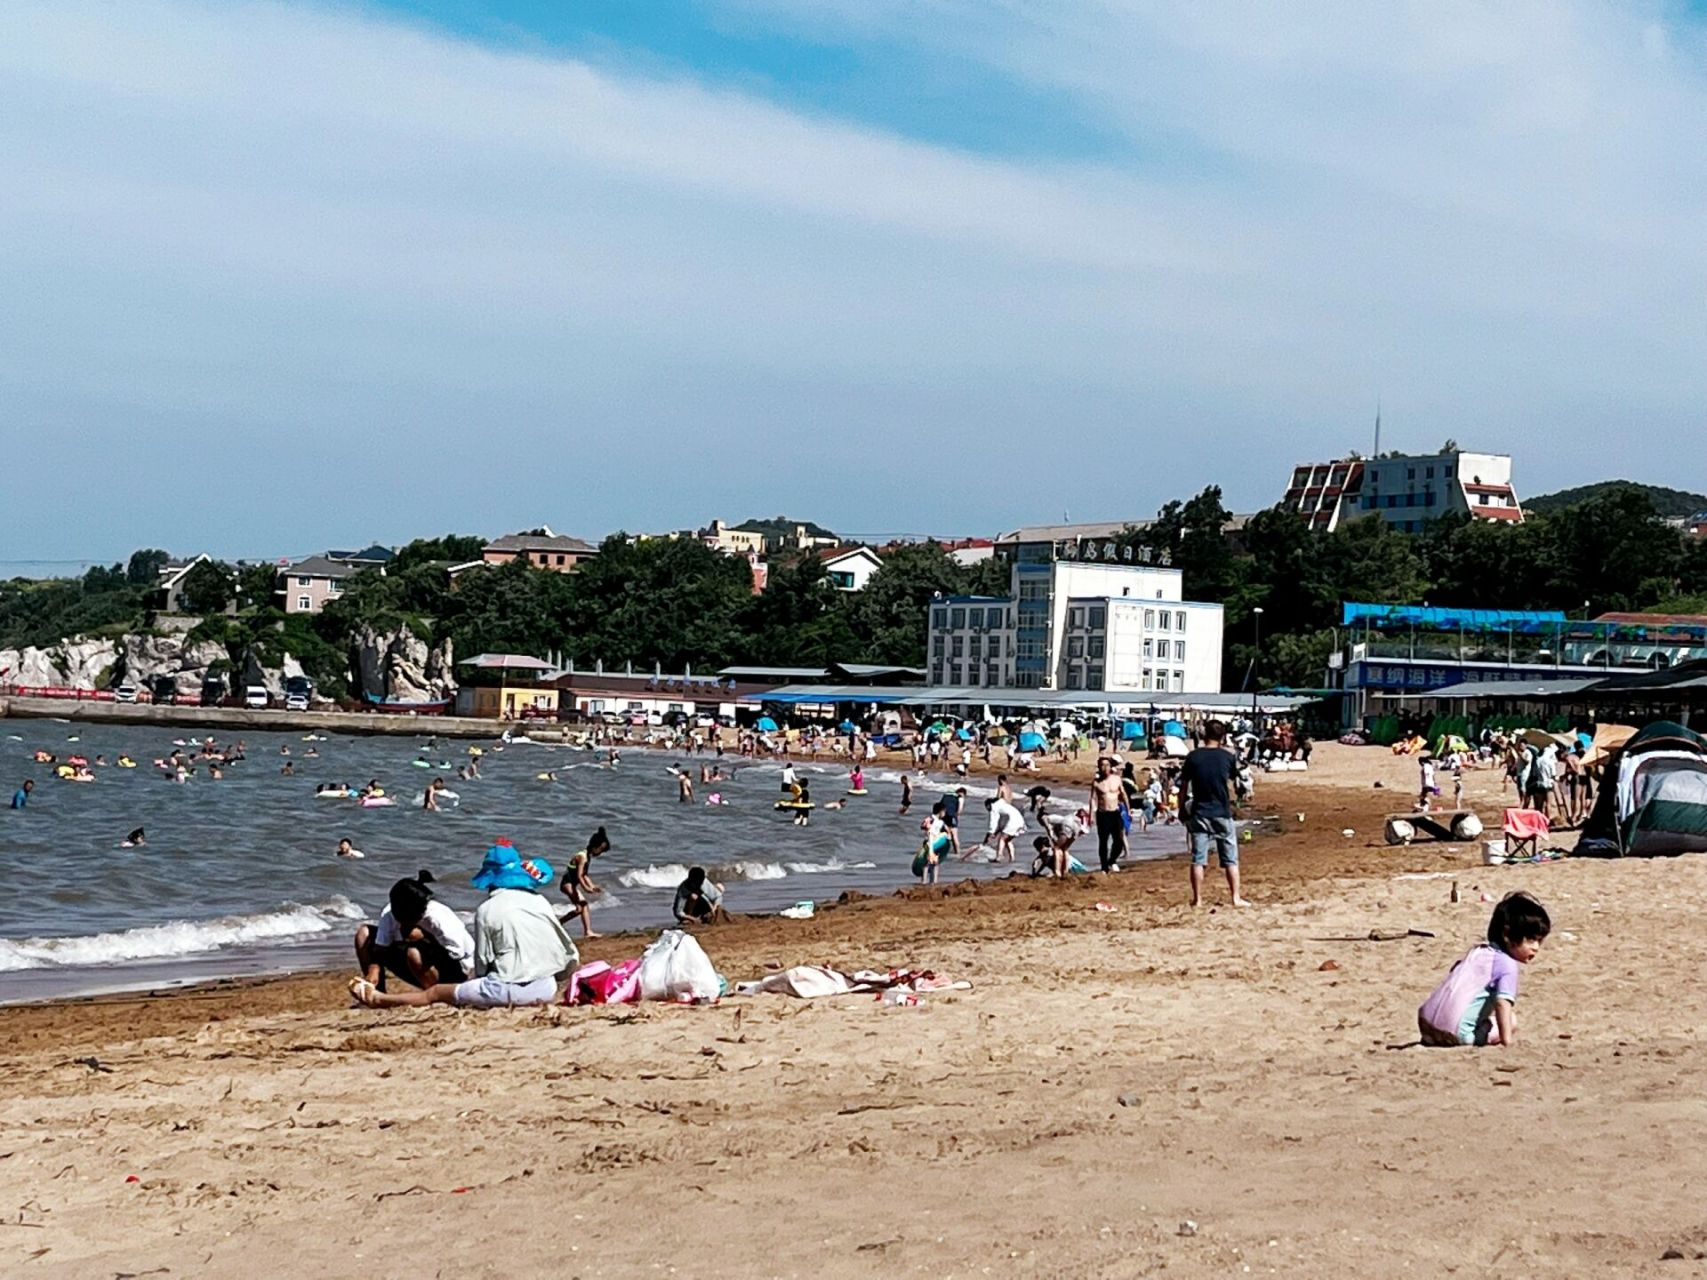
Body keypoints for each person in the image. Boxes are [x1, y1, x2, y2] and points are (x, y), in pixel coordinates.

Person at [351, 846, 576, 1010]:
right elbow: (565, 949)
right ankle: (377, 991)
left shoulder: (486, 910)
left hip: (500, 987)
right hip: (546, 987)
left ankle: (380, 1000)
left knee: (435, 994)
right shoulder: (539, 902)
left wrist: (468, 990)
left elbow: (480, 965)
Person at [1418, 891, 1550, 1047]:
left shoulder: (1477, 951)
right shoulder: (1507, 965)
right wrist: (1507, 1042)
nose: (1536, 948)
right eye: (1531, 940)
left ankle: (1435, 1034)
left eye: (1539, 941)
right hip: (1455, 1034)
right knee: (1511, 1020)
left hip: (1424, 1022)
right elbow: (1502, 1004)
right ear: (1507, 935)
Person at [353, 871, 477, 992]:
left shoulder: (437, 918)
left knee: (413, 953)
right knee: (363, 934)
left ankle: (435, 994)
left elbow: (457, 956)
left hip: (457, 970)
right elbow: (380, 949)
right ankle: (375, 992)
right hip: (417, 964)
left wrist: (426, 939)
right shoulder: (390, 915)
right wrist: (373, 970)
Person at [1179, 719, 1250, 908]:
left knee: (1198, 859)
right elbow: (1235, 783)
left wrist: (1181, 810)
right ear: (1223, 736)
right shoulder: (1227, 757)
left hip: (1200, 811)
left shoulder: (1193, 757)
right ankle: (1235, 898)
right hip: (1221, 811)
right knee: (1230, 858)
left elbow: (1184, 787)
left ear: (1203, 735)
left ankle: (1198, 899)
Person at [560, 826, 611, 938]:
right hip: (567, 883)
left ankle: (587, 932)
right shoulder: (582, 857)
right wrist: (586, 888)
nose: (600, 853)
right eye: (600, 850)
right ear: (594, 847)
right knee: (579, 908)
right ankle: (558, 923)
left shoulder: (587, 856)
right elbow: (579, 876)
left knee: (584, 906)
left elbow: (584, 875)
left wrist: (592, 886)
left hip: (572, 884)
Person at [1089, 758, 1126, 872]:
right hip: (1103, 814)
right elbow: (1092, 799)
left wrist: (1128, 810)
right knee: (1103, 842)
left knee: (1119, 840)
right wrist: (1091, 815)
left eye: (1107, 765)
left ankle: (1112, 860)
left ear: (1110, 767)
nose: (1105, 768)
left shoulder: (1117, 779)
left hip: (1115, 812)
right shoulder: (1096, 782)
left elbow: (1123, 794)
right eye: (1102, 765)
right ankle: (1104, 867)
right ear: (1099, 767)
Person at [981, 795, 1026, 863]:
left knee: (1002, 838)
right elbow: (1000, 824)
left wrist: (990, 834)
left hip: (1013, 821)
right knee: (1007, 840)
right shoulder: (1002, 805)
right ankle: (1012, 858)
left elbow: (993, 823)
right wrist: (994, 833)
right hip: (1020, 821)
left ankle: (999, 856)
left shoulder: (994, 807)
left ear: (988, 805)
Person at [941, 786, 964, 857]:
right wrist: (956, 816)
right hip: (952, 815)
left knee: (942, 835)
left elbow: (941, 805)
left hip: (943, 815)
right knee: (954, 836)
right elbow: (960, 810)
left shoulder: (946, 794)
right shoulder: (960, 797)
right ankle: (957, 853)